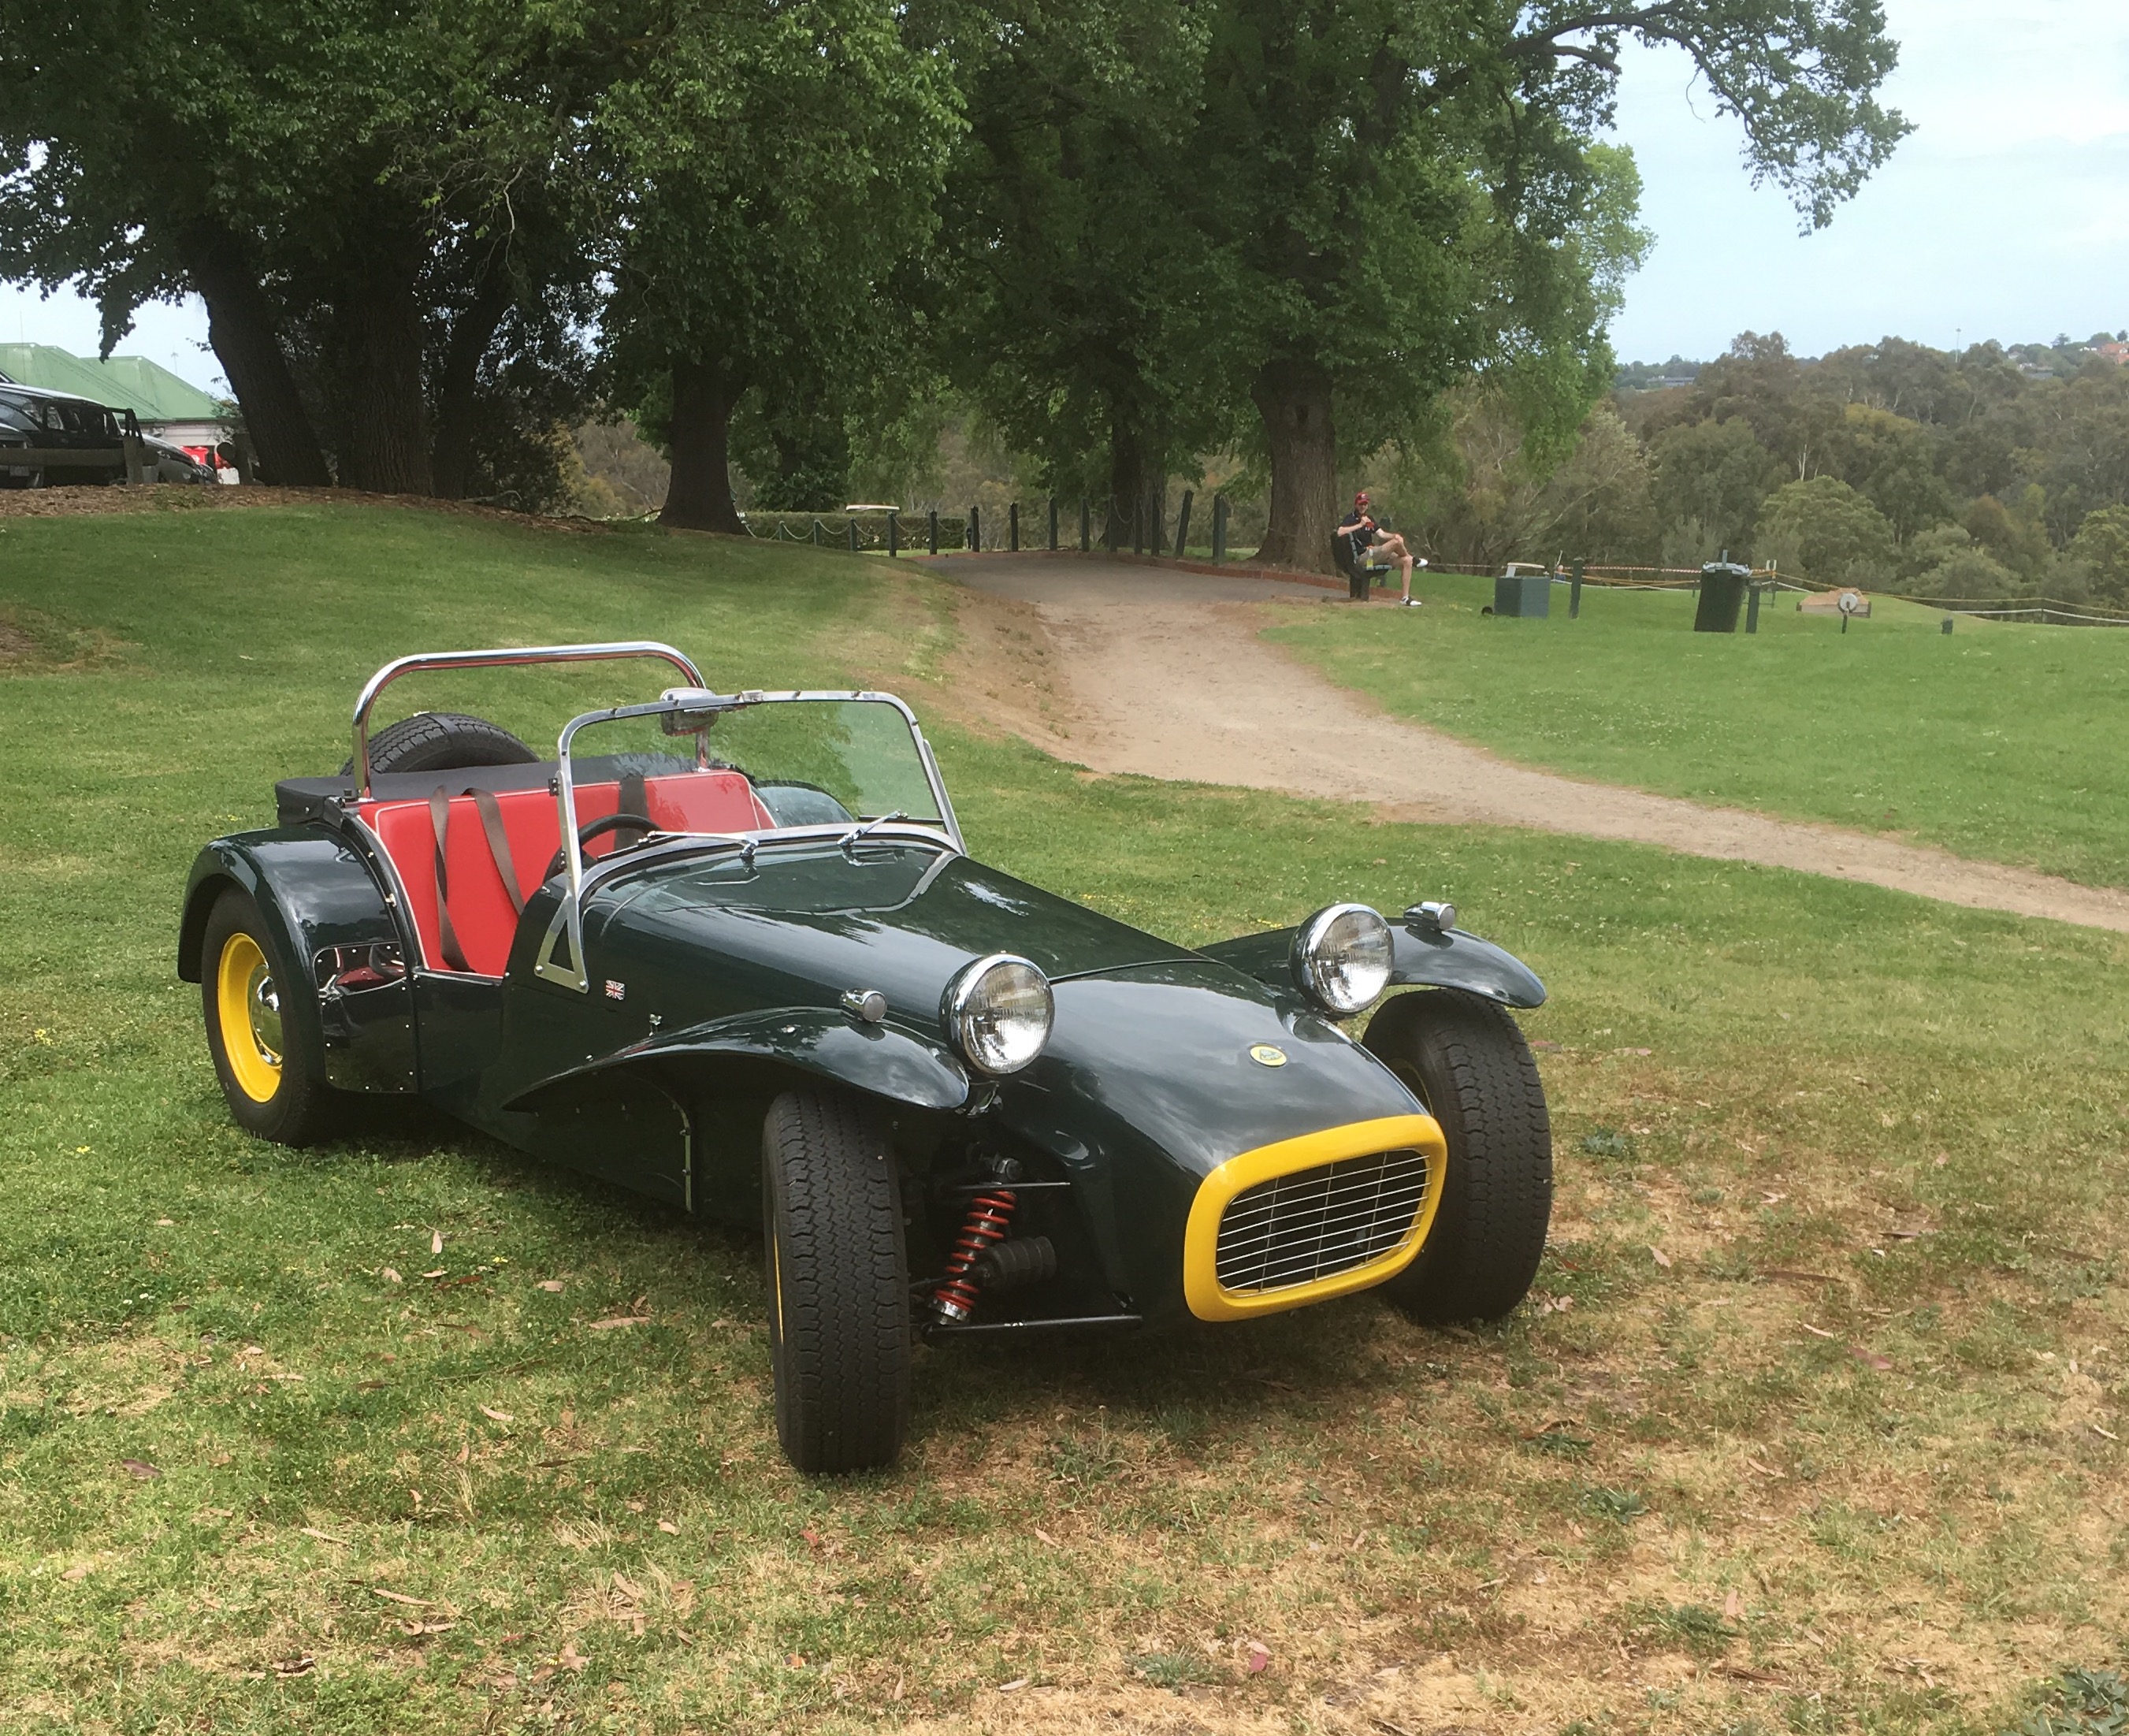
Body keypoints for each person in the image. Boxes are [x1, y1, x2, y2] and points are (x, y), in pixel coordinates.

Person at [1336, 492, 1423, 605]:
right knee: (1396, 544)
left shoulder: (1369, 519)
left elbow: (1381, 534)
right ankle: (1414, 559)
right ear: (1356, 505)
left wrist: (1394, 535)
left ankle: (1405, 598)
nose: (1363, 507)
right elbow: (1340, 532)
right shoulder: (1351, 518)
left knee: (1407, 560)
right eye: (1360, 504)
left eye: (1365, 504)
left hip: (1373, 554)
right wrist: (1360, 525)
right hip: (1363, 556)